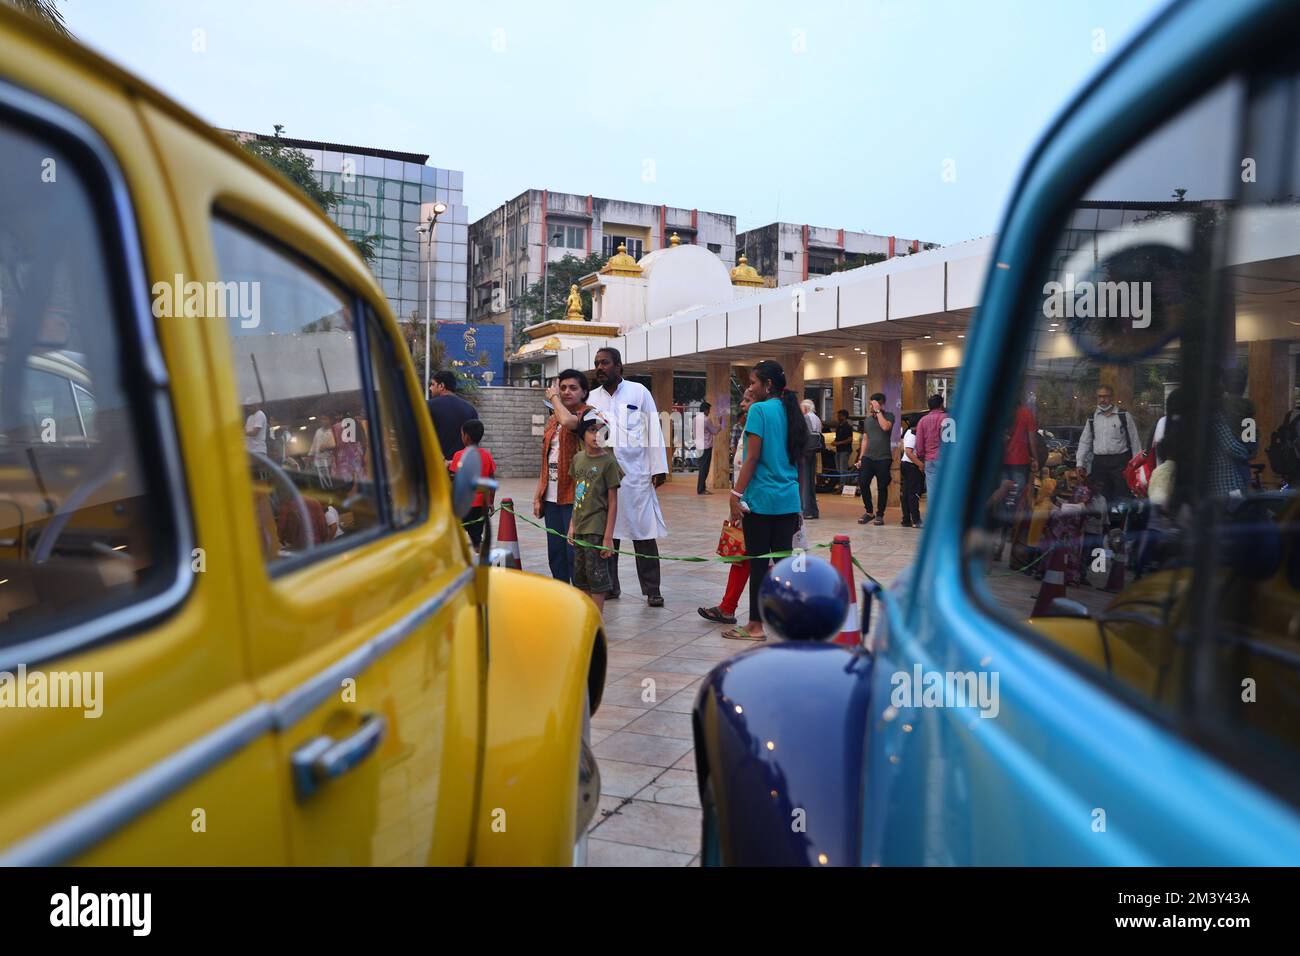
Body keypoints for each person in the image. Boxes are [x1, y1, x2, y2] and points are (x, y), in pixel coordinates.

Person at [724, 360, 807, 641]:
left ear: (767, 385)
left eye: (753, 383)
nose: (750, 387)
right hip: (788, 500)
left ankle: (756, 626)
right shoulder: (791, 410)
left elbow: (752, 457)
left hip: (762, 500)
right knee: (783, 563)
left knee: (759, 563)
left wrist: (735, 494)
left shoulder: (759, 410)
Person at [586, 347, 669, 607]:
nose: (600, 367)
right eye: (597, 363)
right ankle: (609, 586)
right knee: (608, 533)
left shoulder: (638, 392)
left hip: (636, 476)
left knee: (643, 533)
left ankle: (652, 589)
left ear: (619, 366)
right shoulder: (591, 398)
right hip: (603, 478)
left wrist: (658, 468)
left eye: (606, 363)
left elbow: (654, 429)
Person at [699, 386, 760, 625]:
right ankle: (727, 607)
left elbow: (754, 463)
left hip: (761, 504)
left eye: (747, 400)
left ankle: (783, 613)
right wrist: (736, 501)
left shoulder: (763, 427)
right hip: (746, 502)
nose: (742, 405)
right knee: (741, 555)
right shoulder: (747, 427)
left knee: (770, 561)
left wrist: (737, 498)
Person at [533, 368, 593, 584]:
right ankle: (561, 593)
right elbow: (545, 459)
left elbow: (570, 423)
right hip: (551, 497)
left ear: (584, 392)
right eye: (563, 387)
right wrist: (539, 494)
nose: (567, 392)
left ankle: (579, 597)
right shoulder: (552, 421)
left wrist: (554, 398)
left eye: (573, 388)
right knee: (555, 552)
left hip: (575, 495)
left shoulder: (588, 415)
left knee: (573, 552)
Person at [567, 414, 622, 613]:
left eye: (601, 430)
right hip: (580, 526)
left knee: (597, 578)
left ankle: (596, 620)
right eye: (592, 430)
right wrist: (572, 526)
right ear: (583, 433)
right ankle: (585, 618)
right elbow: (577, 493)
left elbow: (613, 502)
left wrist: (608, 538)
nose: (597, 435)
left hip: (597, 529)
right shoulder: (578, 459)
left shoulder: (609, 463)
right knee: (580, 577)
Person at [1075, 384, 1141, 502]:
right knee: (1100, 497)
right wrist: (1080, 463)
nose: (1102, 400)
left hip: (1120, 462)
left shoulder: (1123, 416)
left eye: (1105, 396)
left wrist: (1137, 466)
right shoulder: (1092, 418)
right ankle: (1105, 520)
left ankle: (1120, 520)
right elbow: (1085, 442)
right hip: (1099, 463)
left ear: (1111, 397)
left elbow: (1135, 441)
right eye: (1099, 396)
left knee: (1123, 496)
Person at [450, 418, 496, 550]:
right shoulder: (487, 456)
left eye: (462, 435)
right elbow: (491, 481)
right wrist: (491, 502)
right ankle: (480, 559)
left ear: (467, 437)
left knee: (457, 537)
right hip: (481, 506)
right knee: (477, 538)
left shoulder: (458, 456)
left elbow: (453, 480)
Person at [854, 392, 895, 526]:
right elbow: (865, 439)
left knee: (882, 487)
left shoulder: (889, 416)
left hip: (883, 458)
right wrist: (860, 458)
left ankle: (880, 514)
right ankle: (869, 512)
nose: (870, 406)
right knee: (863, 483)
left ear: (879, 404)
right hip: (868, 457)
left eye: (872, 403)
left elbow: (885, 427)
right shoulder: (867, 420)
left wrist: (878, 411)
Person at [427, 370, 477, 460]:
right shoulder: (470, 410)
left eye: (433, 384)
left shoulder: (429, 406)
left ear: (441, 386)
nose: (430, 388)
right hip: (462, 467)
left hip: (436, 466)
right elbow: (474, 443)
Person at [914, 394, 948, 497]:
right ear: (941, 404)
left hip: (929, 460)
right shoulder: (947, 419)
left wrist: (921, 458)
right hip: (944, 460)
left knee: (932, 491)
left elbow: (919, 445)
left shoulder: (922, 421)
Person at [899, 414, 923, 528]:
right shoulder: (913, 434)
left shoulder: (907, 432)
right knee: (913, 494)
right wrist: (920, 464)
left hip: (905, 464)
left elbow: (902, 447)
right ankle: (916, 520)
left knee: (906, 493)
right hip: (911, 465)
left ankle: (906, 519)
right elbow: (909, 452)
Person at [800, 399, 822, 519]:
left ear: (805, 408)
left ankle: (806, 510)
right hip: (813, 450)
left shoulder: (806, 417)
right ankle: (813, 510)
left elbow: (804, 434)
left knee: (805, 481)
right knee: (810, 480)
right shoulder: (816, 418)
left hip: (805, 451)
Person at [694, 401, 722, 495]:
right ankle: (701, 489)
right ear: (705, 410)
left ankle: (701, 488)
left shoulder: (695, 419)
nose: (709, 412)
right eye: (709, 410)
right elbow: (714, 431)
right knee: (704, 468)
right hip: (706, 446)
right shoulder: (706, 419)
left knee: (702, 467)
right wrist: (720, 424)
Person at [308, 413, 336, 488]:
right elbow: (314, 444)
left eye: (325, 419)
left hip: (328, 461)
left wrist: (326, 447)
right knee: (318, 483)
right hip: (317, 461)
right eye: (321, 419)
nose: (323, 421)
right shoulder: (318, 431)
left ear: (331, 420)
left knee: (329, 482)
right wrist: (310, 456)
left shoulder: (334, 431)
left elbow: (336, 445)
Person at [832, 409, 853, 491]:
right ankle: (842, 485)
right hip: (839, 450)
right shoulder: (839, 426)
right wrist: (835, 442)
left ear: (844, 416)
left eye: (839, 415)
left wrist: (839, 443)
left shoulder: (847, 427)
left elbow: (850, 439)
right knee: (839, 469)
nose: (837, 417)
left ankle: (842, 486)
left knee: (843, 469)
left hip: (845, 450)